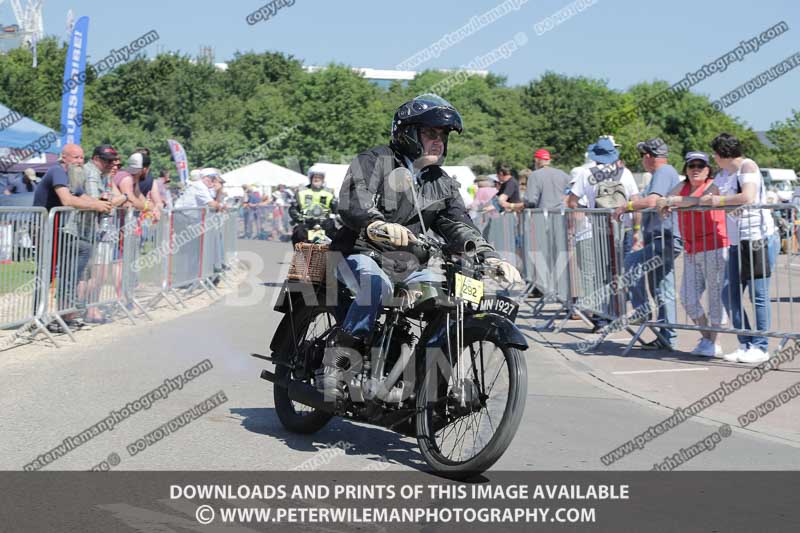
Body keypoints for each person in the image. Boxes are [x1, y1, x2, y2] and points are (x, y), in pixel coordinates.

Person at [326, 94, 521, 399]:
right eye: (431, 133)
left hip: (407, 265)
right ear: (407, 132)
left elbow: (458, 223)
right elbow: (354, 200)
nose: (438, 141)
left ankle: (420, 382)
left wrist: (490, 258)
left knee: (446, 299)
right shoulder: (375, 160)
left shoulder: (439, 181)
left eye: (442, 136)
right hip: (358, 253)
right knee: (373, 285)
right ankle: (336, 366)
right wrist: (376, 224)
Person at [701, 133, 779, 364]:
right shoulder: (725, 174)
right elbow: (706, 196)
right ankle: (746, 343)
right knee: (729, 293)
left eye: (715, 154)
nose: (714, 158)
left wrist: (719, 202)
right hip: (737, 242)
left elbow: (748, 195)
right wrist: (673, 201)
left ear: (722, 154)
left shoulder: (748, 166)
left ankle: (761, 345)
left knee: (758, 295)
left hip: (757, 238)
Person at [33, 143, 112, 332]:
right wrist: (95, 206)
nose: (79, 161)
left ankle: (65, 305)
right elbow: (67, 200)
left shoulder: (72, 175)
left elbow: (82, 196)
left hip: (58, 230)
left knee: (82, 250)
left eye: (81, 157)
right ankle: (40, 316)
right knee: (46, 272)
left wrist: (100, 203)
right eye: (75, 157)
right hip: (44, 229)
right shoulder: (57, 171)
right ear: (64, 158)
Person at [656, 152, 728, 357]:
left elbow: (701, 200)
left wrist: (674, 200)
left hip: (713, 246)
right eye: (691, 166)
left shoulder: (713, 186)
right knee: (688, 297)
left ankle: (715, 342)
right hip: (691, 248)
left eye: (700, 165)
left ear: (708, 169)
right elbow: (665, 199)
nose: (695, 169)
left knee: (715, 298)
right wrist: (667, 201)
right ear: (686, 169)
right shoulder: (683, 186)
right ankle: (707, 337)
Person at [615, 138, 682, 349]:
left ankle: (642, 310)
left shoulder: (663, 172)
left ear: (648, 156)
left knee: (631, 261)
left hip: (667, 238)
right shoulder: (662, 173)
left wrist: (627, 206)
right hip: (662, 238)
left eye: (642, 156)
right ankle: (666, 337)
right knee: (662, 289)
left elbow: (653, 201)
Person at [567, 138, 640, 328]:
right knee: (618, 273)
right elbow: (636, 200)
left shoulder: (586, 174)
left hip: (597, 228)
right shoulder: (625, 173)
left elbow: (572, 201)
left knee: (600, 275)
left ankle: (601, 318)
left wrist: (584, 215)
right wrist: (637, 230)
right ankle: (618, 313)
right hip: (621, 227)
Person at [82, 145, 129, 323]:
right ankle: (87, 310)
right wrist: (123, 197)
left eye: (115, 161)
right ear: (96, 158)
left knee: (99, 274)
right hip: (94, 230)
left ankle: (90, 309)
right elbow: (101, 203)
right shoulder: (92, 174)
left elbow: (118, 200)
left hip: (102, 230)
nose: (113, 164)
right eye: (109, 161)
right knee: (95, 274)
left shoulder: (105, 177)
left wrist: (121, 198)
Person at [289, 166, 337, 245]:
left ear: (323, 179)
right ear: (310, 178)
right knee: (297, 233)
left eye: (319, 177)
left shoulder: (329, 192)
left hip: (324, 223)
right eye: (315, 177)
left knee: (336, 235)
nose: (317, 179)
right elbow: (293, 208)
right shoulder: (301, 191)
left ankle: (332, 254)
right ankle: (300, 255)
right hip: (306, 223)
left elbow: (336, 209)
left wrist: (337, 216)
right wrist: (299, 218)